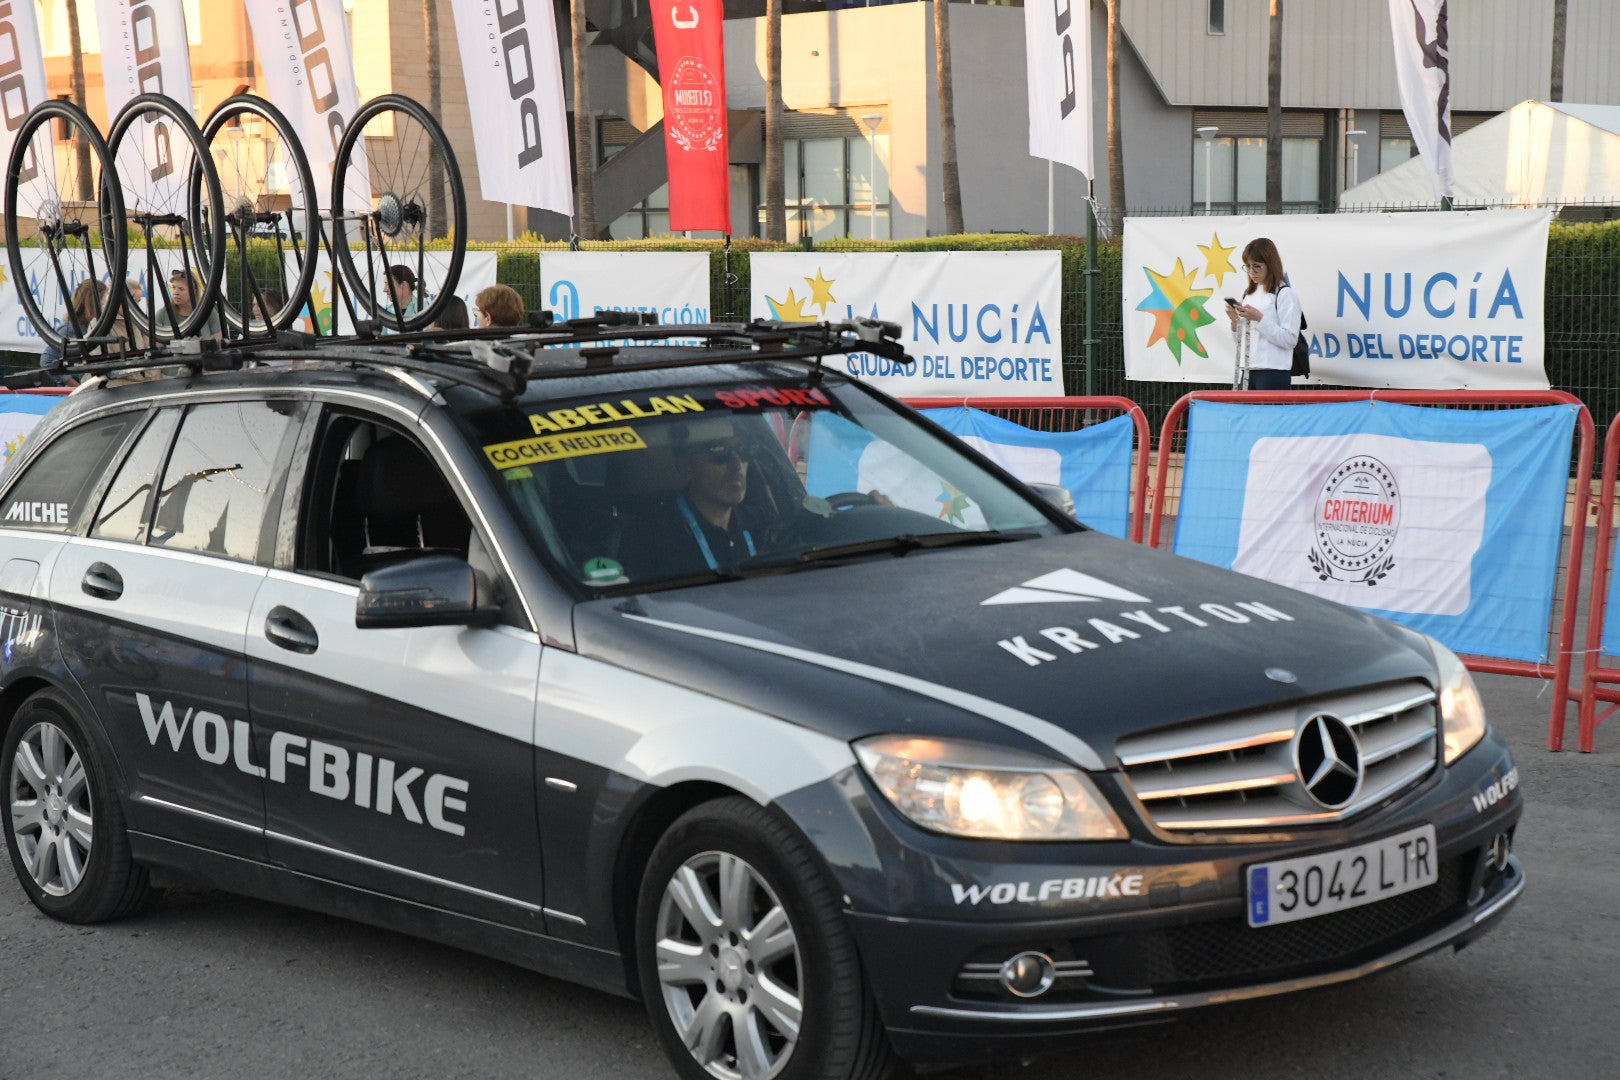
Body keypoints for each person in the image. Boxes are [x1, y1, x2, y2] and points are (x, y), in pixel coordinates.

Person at [1226, 237, 1302, 391]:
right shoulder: (1248, 294)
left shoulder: (1285, 294)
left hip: (1273, 371)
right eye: (1247, 266)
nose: (1251, 272)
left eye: (1257, 266)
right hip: (1247, 370)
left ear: (1271, 265)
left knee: (1270, 415)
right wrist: (1235, 323)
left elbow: (1290, 340)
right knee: (1246, 415)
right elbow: (1242, 342)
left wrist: (1259, 319)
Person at [158, 269, 223, 340]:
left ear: (194, 290)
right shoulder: (163, 314)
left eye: (181, 289)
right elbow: (155, 344)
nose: (175, 292)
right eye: (174, 287)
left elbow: (218, 340)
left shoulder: (207, 311)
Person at [383, 264, 419, 328]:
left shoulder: (425, 309)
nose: (385, 290)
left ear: (404, 285)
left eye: (388, 284)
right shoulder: (386, 311)